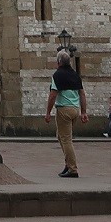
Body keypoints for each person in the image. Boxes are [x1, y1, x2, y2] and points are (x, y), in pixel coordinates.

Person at [45, 49, 84, 178]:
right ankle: (68, 165)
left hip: (64, 110)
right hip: (75, 109)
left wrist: (48, 112)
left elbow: (53, 95)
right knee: (61, 136)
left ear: (59, 62)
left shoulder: (57, 75)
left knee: (66, 140)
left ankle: (73, 169)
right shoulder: (75, 75)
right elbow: (82, 94)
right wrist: (83, 112)